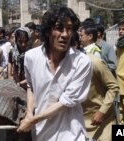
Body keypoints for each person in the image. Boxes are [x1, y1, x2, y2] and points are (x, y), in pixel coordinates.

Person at [17, 5, 93, 141]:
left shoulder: (82, 62)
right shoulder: (31, 57)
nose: (65, 34)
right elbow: (31, 87)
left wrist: (34, 120)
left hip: (71, 133)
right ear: (47, 31)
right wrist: (29, 113)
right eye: (59, 28)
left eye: (69, 29)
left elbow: (66, 101)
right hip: (41, 134)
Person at [82, 54, 119, 141]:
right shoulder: (60, 65)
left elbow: (113, 87)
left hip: (103, 120)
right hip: (79, 120)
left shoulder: (94, 62)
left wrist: (102, 111)